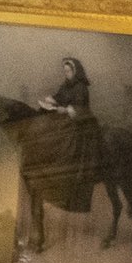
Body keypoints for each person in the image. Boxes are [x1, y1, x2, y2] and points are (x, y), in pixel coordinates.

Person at [35, 56, 101, 214]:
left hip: (81, 123)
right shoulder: (66, 85)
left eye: (68, 71)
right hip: (67, 118)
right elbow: (59, 96)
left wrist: (65, 110)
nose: (66, 74)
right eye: (64, 71)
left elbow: (81, 107)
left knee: (68, 140)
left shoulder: (81, 87)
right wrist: (49, 101)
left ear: (75, 71)